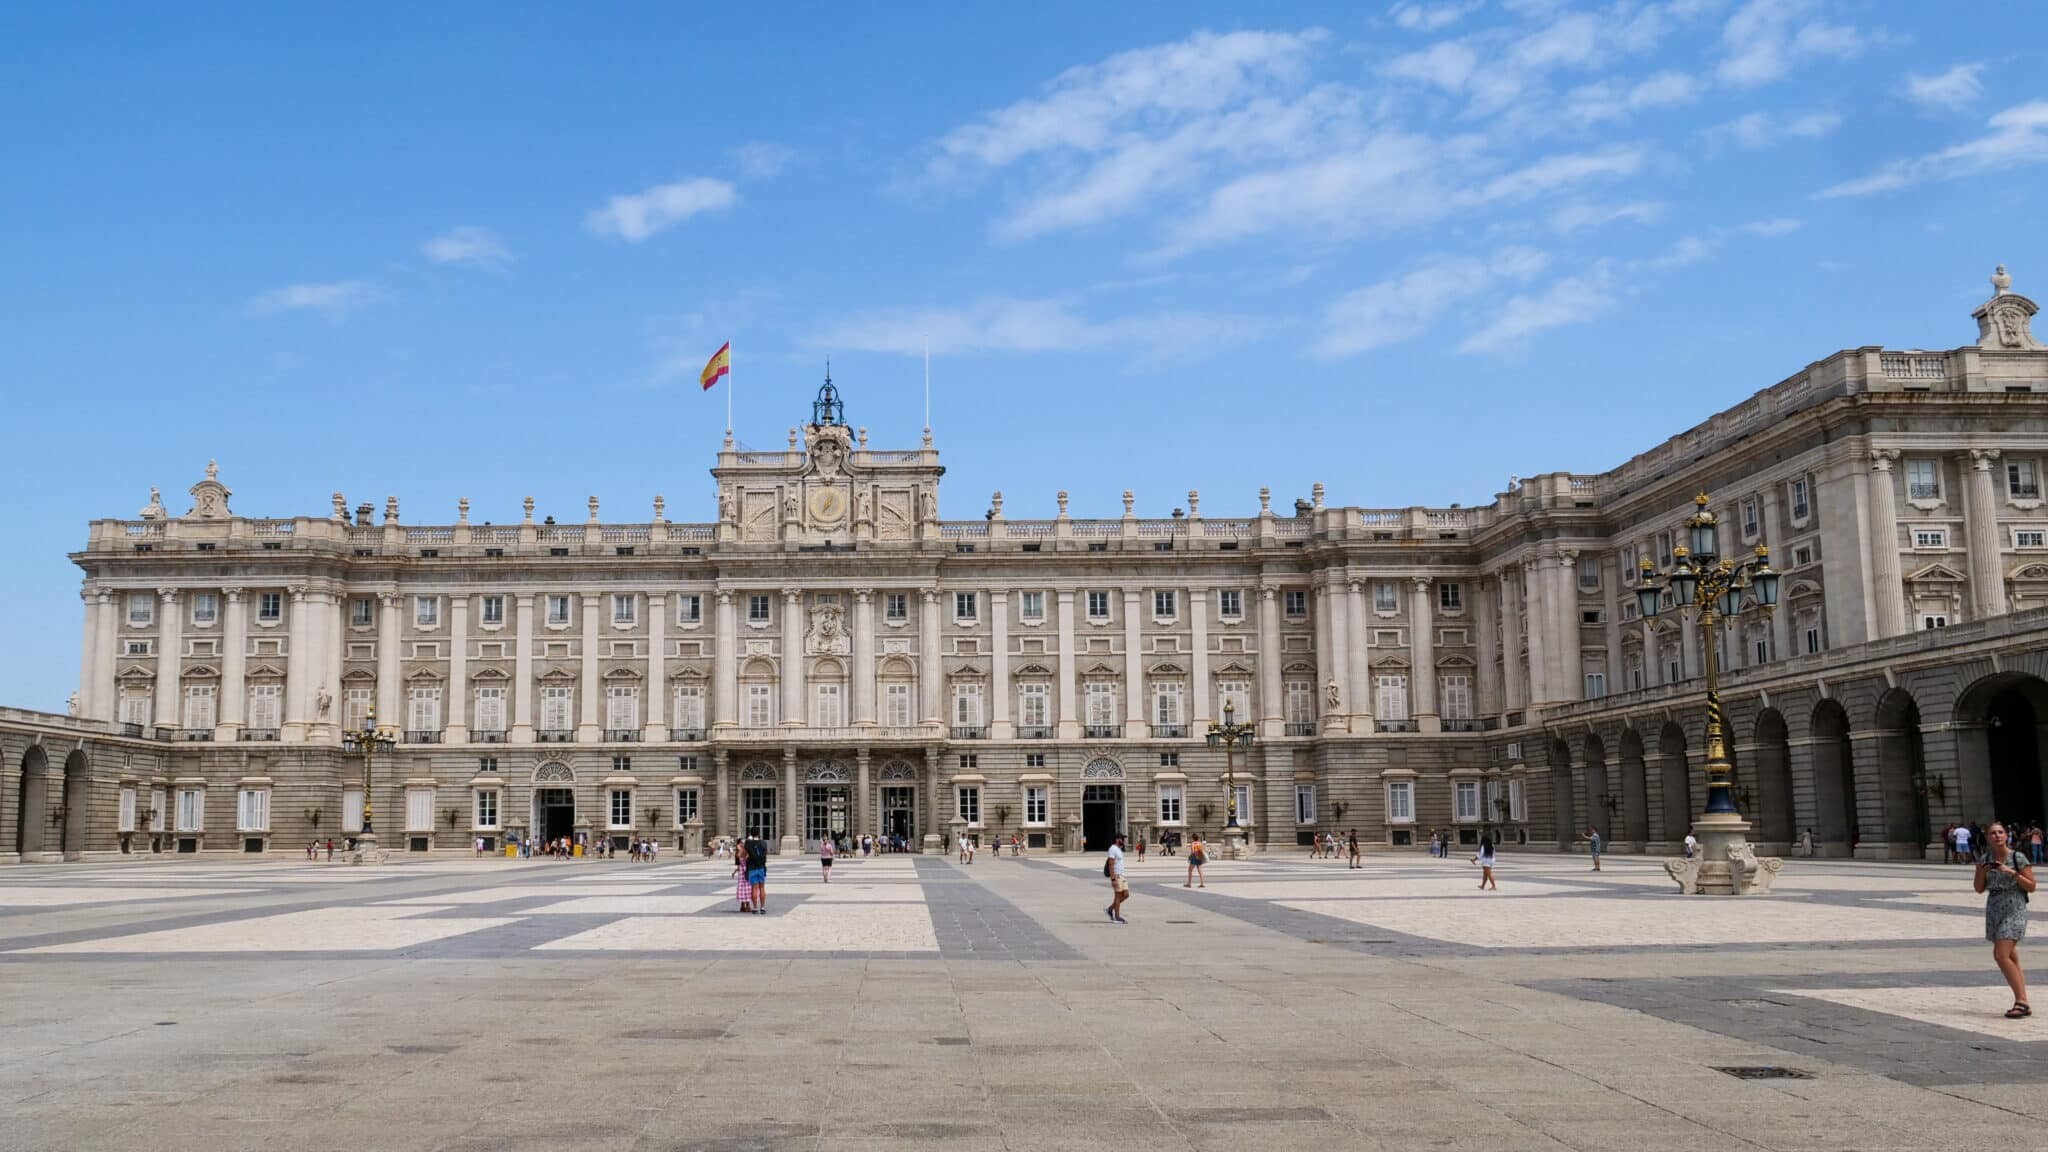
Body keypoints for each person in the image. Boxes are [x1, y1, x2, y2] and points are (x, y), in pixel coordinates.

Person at [1976, 822, 2035, 1018]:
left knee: (2001, 955)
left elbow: (2031, 886)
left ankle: (2020, 1001)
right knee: (2011, 956)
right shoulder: (1984, 858)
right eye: (1993, 833)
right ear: (1987, 837)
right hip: (1994, 908)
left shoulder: (2017, 857)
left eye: (2000, 832)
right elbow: (1978, 888)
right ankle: (2024, 1000)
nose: (1997, 836)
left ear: (2007, 835)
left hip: (2014, 907)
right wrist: (1982, 871)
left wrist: (2011, 872)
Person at [1105, 833, 1131, 923]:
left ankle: (1110, 909)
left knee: (1126, 894)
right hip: (1116, 876)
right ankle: (1117, 917)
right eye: (1122, 839)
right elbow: (1111, 864)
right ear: (1117, 839)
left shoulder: (1119, 849)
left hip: (1122, 875)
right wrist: (1113, 879)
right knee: (1117, 896)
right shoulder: (1112, 849)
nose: (1123, 841)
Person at [744, 835, 768, 914]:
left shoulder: (748, 844)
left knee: (754, 888)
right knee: (762, 887)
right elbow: (765, 855)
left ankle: (754, 907)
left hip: (752, 868)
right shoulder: (763, 843)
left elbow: (745, 857)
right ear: (758, 834)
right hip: (761, 867)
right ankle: (763, 907)